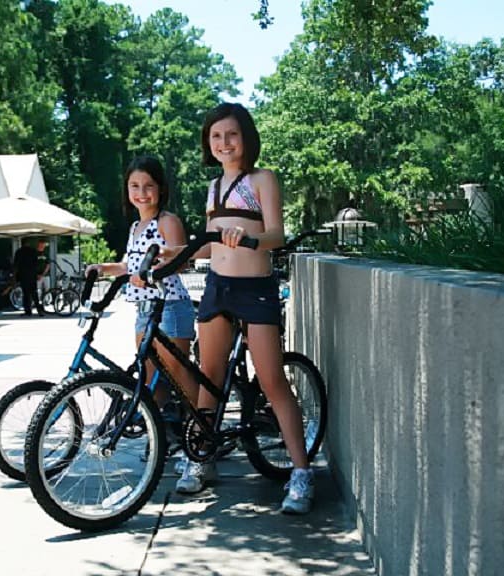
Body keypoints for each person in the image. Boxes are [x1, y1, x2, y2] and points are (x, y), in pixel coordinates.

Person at [172, 102, 315, 514]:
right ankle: (201, 459)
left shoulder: (262, 179)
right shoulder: (214, 188)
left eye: (231, 135)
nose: (223, 143)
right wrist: (173, 256)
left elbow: (276, 235)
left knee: (271, 380)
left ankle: (301, 473)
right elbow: (208, 245)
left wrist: (249, 238)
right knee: (210, 379)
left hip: (255, 289)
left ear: (246, 138)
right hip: (218, 288)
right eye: (215, 137)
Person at [86, 156, 199, 417]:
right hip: (144, 310)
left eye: (148, 186)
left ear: (161, 188)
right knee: (150, 379)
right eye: (134, 186)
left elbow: (181, 261)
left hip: (170, 305)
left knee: (178, 376)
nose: (142, 193)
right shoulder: (137, 226)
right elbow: (128, 266)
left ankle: (205, 436)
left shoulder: (166, 221)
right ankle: (163, 438)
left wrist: (154, 270)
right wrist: (102, 268)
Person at [13, 238, 46, 317]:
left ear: (22, 243)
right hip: (32, 275)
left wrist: (14, 275)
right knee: (34, 293)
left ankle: (28, 311)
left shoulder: (19, 252)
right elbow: (36, 263)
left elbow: (16, 265)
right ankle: (39, 311)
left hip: (23, 275)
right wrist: (38, 273)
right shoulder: (33, 251)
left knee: (26, 294)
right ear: (28, 243)